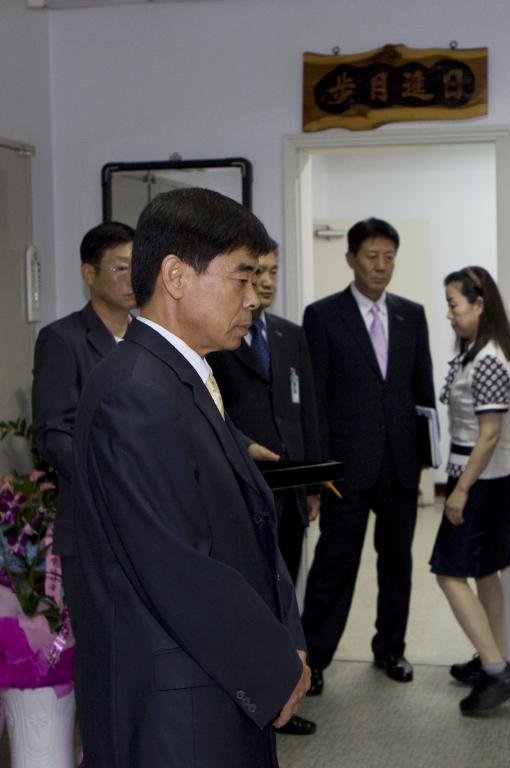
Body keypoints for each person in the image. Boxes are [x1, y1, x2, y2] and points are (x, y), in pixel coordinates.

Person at [72, 188, 310, 767]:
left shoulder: (181, 375)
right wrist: (273, 667)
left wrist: (289, 643)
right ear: (176, 276)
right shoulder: (136, 391)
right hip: (179, 705)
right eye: (241, 278)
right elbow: (178, 564)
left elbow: (249, 527)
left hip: (216, 674)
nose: (254, 299)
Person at [301, 217, 435, 692]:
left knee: (397, 562)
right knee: (335, 565)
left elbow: (422, 391)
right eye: (372, 256)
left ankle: (390, 649)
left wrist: (426, 454)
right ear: (351, 259)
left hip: (399, 463)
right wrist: (316, 474)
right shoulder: (322, 316)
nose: (381, 266)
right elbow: (314, 398)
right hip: (345, 466)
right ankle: (312, 661)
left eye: (389, 257)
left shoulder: (411, 314)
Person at [207, 246, 320, 737]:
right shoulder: (220, 335)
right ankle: (252, 697)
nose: (267, 281)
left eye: (274, 272)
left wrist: (312, 482)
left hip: (291, 486)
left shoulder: (290, 335)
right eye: (257, 272)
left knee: (284, 589)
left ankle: (282, 694)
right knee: (249, 593)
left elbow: (305, 408)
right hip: (243, 483)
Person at [31, 220, 135, 631]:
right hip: (93, 520)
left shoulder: (148, 338)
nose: (132, 278)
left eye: (137, 266)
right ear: (88, 274)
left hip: (146, 522)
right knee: (102, 648)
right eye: (120, 267)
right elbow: (53, 431)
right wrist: (108, 473)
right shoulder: (64, 339)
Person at [430, 266, 510, 714]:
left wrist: (460, 490)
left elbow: (488, 435)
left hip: (481, 481)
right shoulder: (474, 350)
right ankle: (493, 658)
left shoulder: (487, 359)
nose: (448, 313)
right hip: (485, 477)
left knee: (449, 572)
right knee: (486, 572)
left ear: (479, 305)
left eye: (453, 304)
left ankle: (495, 667)